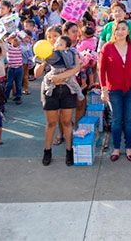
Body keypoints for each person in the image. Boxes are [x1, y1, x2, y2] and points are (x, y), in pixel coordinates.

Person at [34, 26, 82, 166]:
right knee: (51, 123)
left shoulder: (70, 52)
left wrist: (58, 77)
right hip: (51, 91)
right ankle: (47, 151)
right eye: (49, 37)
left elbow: (76, 68)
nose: (52, 39)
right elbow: (36, 74)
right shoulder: (46, 53)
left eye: (55, 36)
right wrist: (43, 60)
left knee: (67, 122)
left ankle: (69, 151)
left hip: (67, 90)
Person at [99, 20, 131, 163]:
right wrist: (104, 90)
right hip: (114, 89)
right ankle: (116, 148)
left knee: (129, 119)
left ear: (128, 31)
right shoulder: (107, 47)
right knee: (116, 119)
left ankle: (129, 147)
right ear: (113, 31)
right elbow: (101, 70)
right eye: (117, 29)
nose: (120, 31)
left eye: (123, 28)